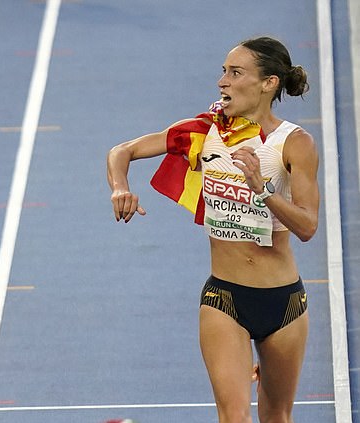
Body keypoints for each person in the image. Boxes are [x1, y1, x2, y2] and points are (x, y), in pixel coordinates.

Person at [107, 36, 318, 423]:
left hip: (285, 302)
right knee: (234, 417)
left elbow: (307, 226)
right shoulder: (205, 132)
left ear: (268, 83)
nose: (222, 81)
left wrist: (263, 189)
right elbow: (123, 151)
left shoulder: (295, 143)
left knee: (277, 416)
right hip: (225, 297)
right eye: (223, 71)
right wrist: (121, 187)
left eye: (235, 73)